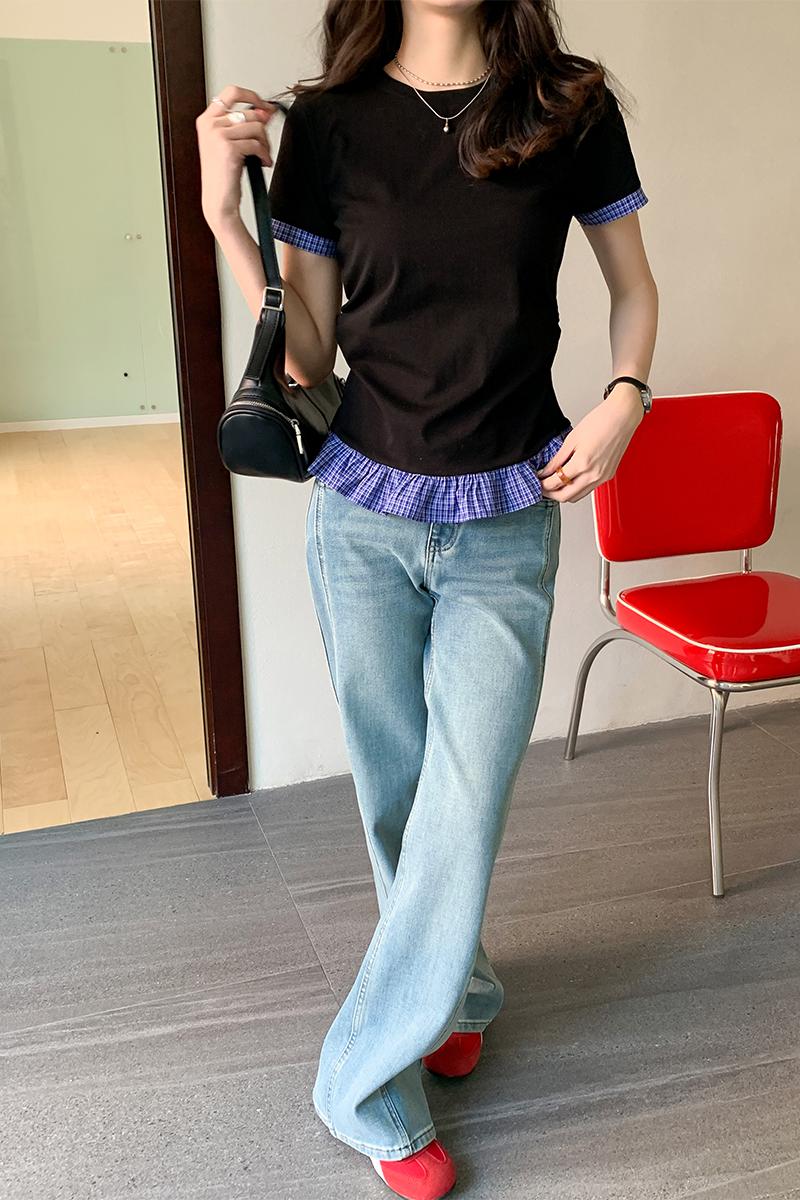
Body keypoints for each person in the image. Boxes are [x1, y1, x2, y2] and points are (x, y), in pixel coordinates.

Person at [196, 1, 658, 1196]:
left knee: (462, 799)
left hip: (507, 509)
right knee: (397, 792)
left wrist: (622, 397)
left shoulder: (566, 105)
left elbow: (631, 287)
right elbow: (305, 349)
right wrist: (223, 219)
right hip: (361, 511)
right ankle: (454, 993)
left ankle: (359, 1081)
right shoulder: (332, 123)